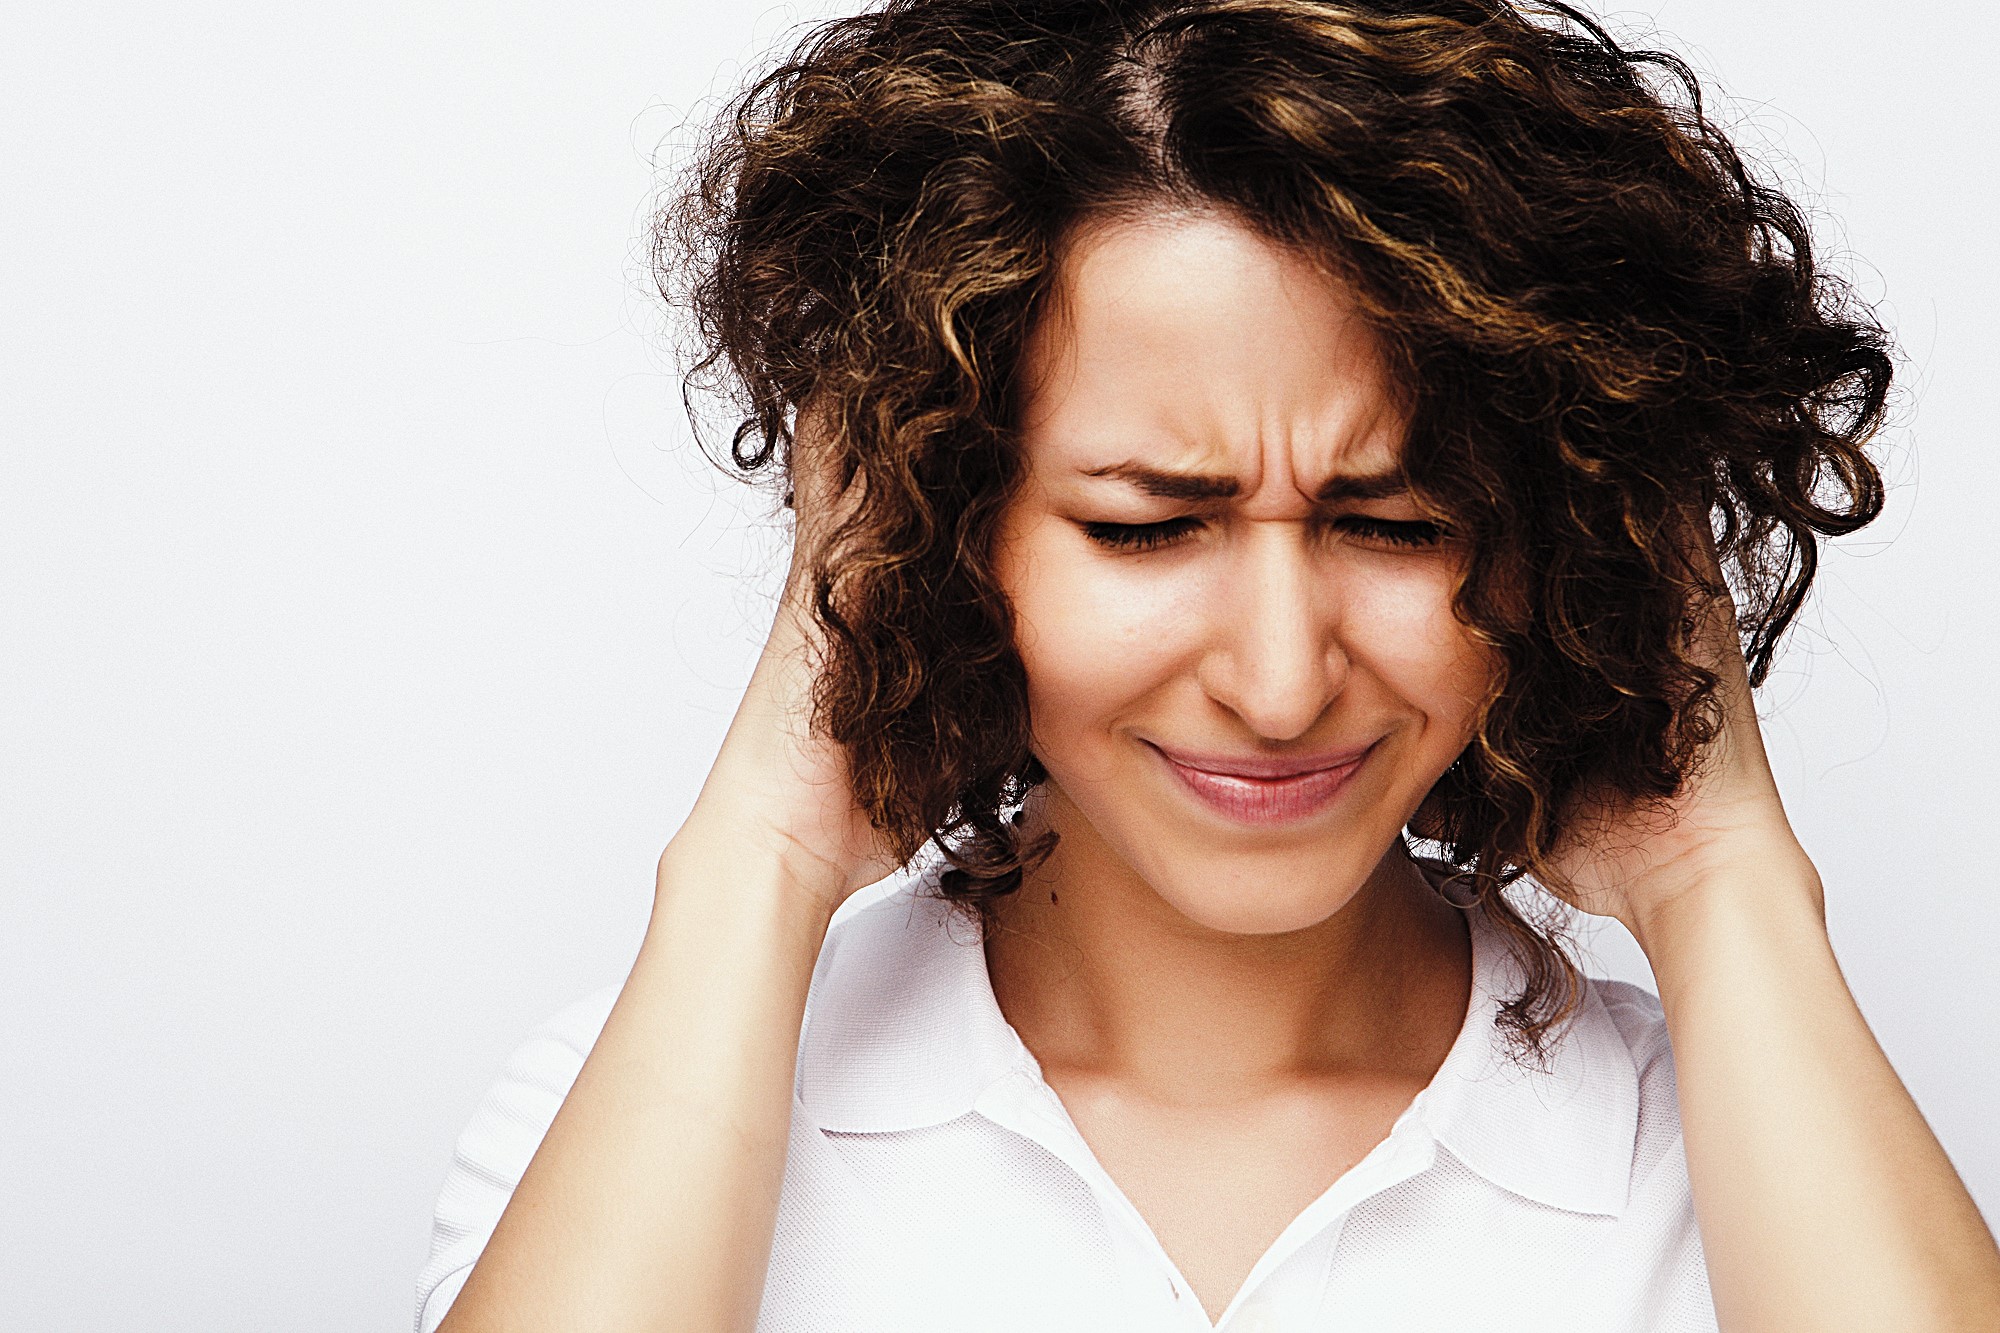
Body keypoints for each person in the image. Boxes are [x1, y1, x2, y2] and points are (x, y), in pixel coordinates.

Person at [415, 2, 2000, 1329]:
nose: (1279, 677)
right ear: (942, 526)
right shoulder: (638, 1106)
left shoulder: (1740, 1159)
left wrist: (1722, 871)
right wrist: (758, 849)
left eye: (1397, 522)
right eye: (1150, 526)